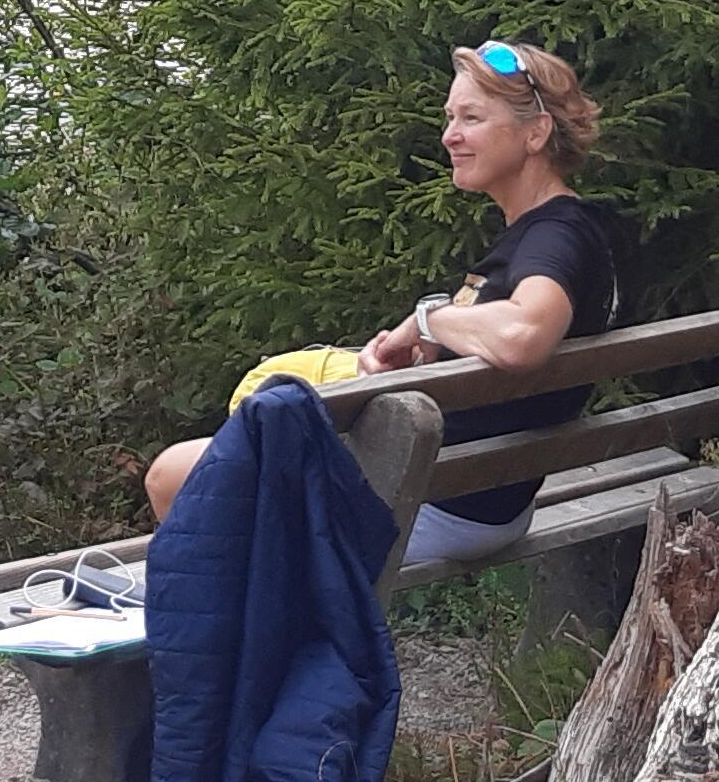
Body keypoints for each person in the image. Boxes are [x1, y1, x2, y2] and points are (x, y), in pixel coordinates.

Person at [141, 42, 629, 564]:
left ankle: (263, 638)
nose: (450, 136)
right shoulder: (570, 229)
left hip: (436, 505)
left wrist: (431, 318)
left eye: (471, 118)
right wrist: (416, 352)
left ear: (535, 133)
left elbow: (522, 337)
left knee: (174, 475)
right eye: (449, 117)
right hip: (483, 495)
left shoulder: (554, 237)